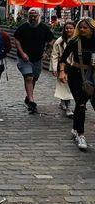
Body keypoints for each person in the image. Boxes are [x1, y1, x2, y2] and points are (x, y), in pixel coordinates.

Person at [59, 17, 95, 150]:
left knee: (83, 103)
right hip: (76, 75)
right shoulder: (74, 41)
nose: (82, 30)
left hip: (92, 76)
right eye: (80, 27)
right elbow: (63, 58)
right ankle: (81, 134)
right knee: (80, 104)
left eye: (86, 28)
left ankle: (75, 127)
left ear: (92, 28)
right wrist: (62, 72)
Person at [14, 8, 54, 113]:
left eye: (34, 16)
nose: (32, 18)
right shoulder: (23, 27)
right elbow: (17, 40)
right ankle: (32, 102)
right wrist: (22, 53)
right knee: (28, 77)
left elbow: (51, 41)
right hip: (24, 58)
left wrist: (47, 52)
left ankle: (28, 97)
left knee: (34, 79)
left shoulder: (44, 28)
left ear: (39, 16)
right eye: (30, 16)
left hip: (37, 59)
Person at [50, 21, 76, 118]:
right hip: (63, 67)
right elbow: (54, 55)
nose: (68, 30)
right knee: (65, 87)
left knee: (70, 87)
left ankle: (63, 102)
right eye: (67, 28)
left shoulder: (77, 40)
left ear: (74, 29)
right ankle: (68, 107)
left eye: (70, 28)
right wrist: (54, 68)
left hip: (74, 67)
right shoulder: (60, 41)